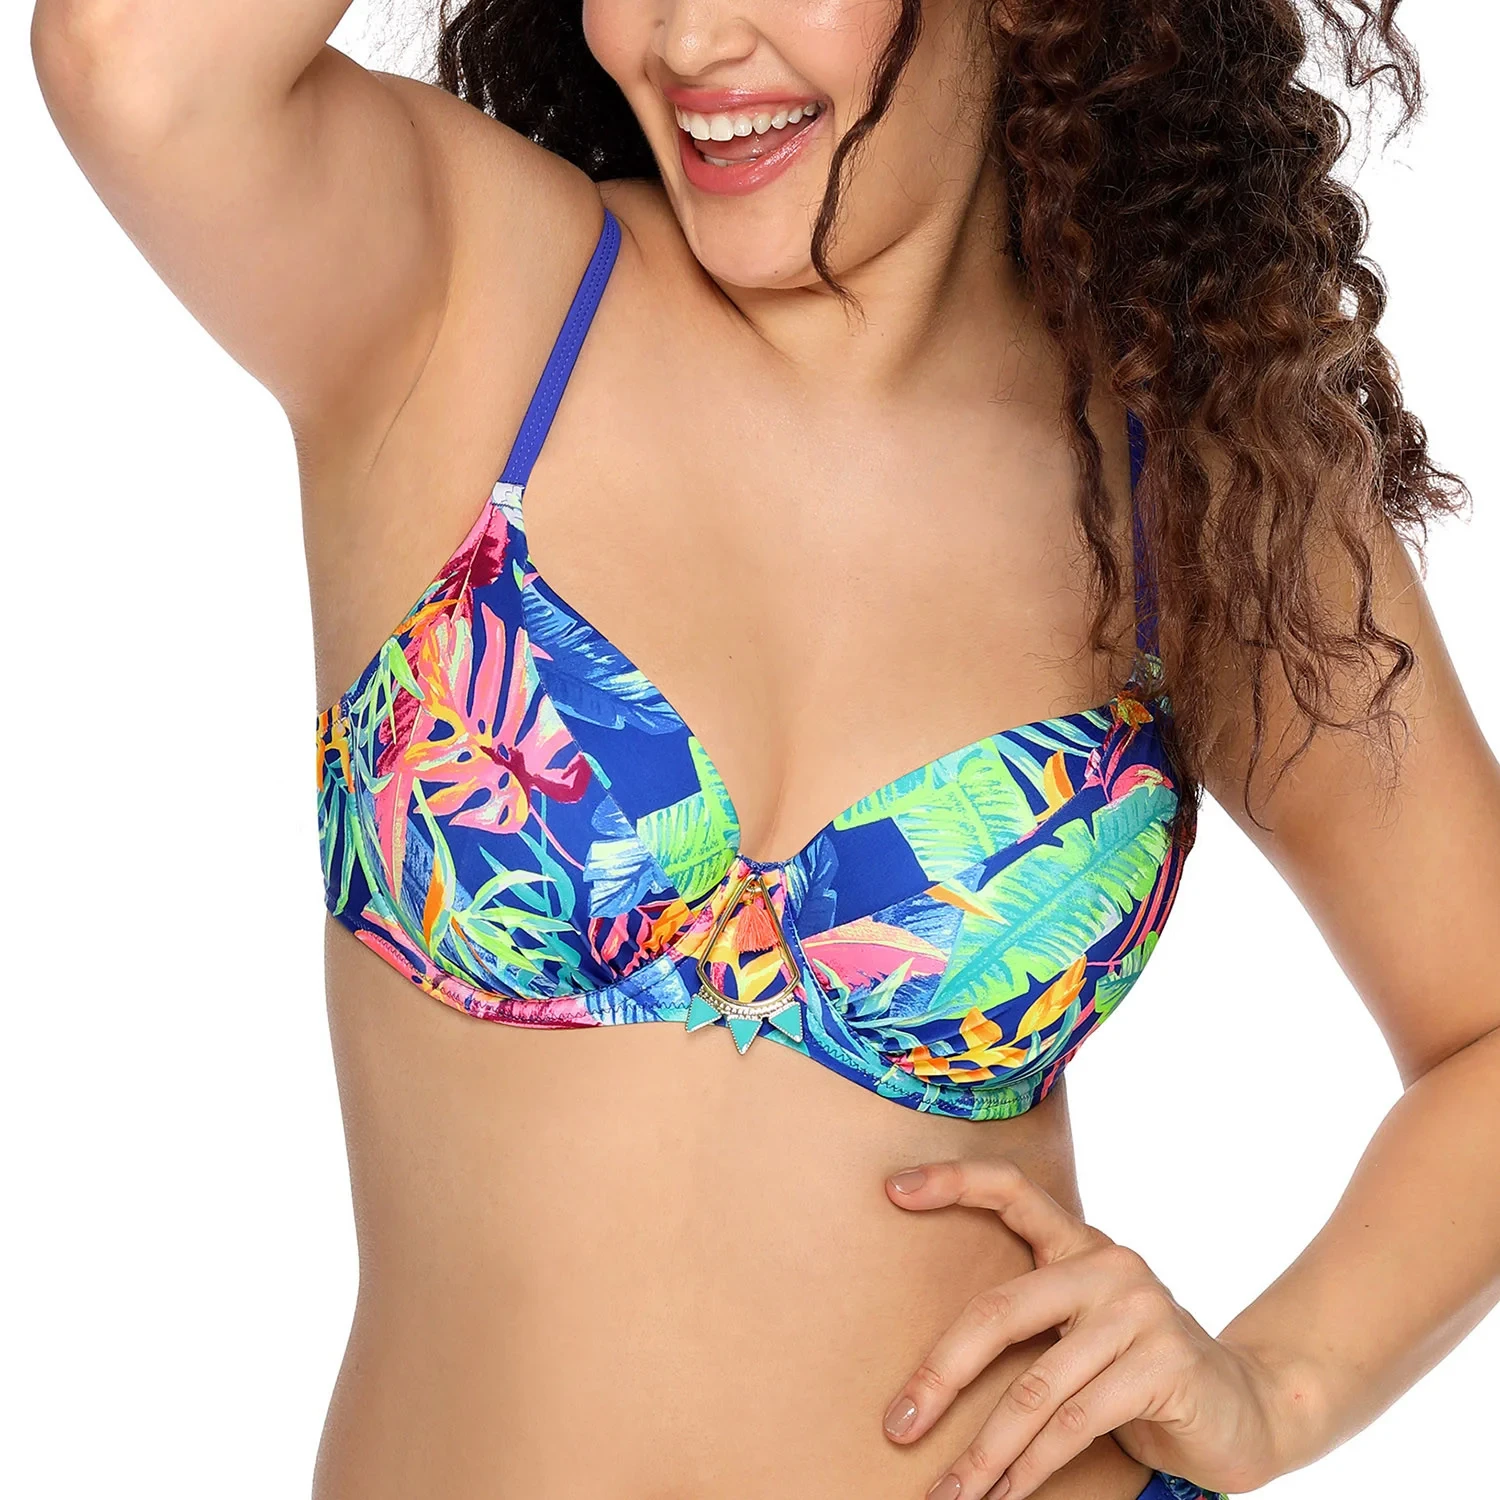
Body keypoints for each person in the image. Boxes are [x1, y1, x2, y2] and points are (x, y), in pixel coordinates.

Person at [30, 1, 1500, 1496]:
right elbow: (135, 65)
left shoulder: (1191, 476)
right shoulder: (466, 288)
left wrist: (1281, 1384)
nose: (687, 38)